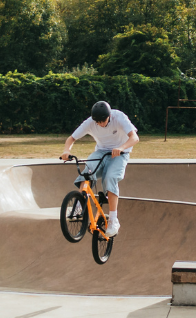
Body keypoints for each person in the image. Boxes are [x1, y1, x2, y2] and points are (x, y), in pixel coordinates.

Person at [58, 101, 139, 237]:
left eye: (103, 121)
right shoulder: (89, 122)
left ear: (109, 116)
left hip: (120, 153)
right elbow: (71, 138)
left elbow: (135, 138)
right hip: (101, 152)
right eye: (98, 122)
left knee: (110, 178)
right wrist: (66, 151)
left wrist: (121, 148)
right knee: (88, 172)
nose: (101, 124)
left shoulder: (118, 117)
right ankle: (79, 205)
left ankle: (113, 220)